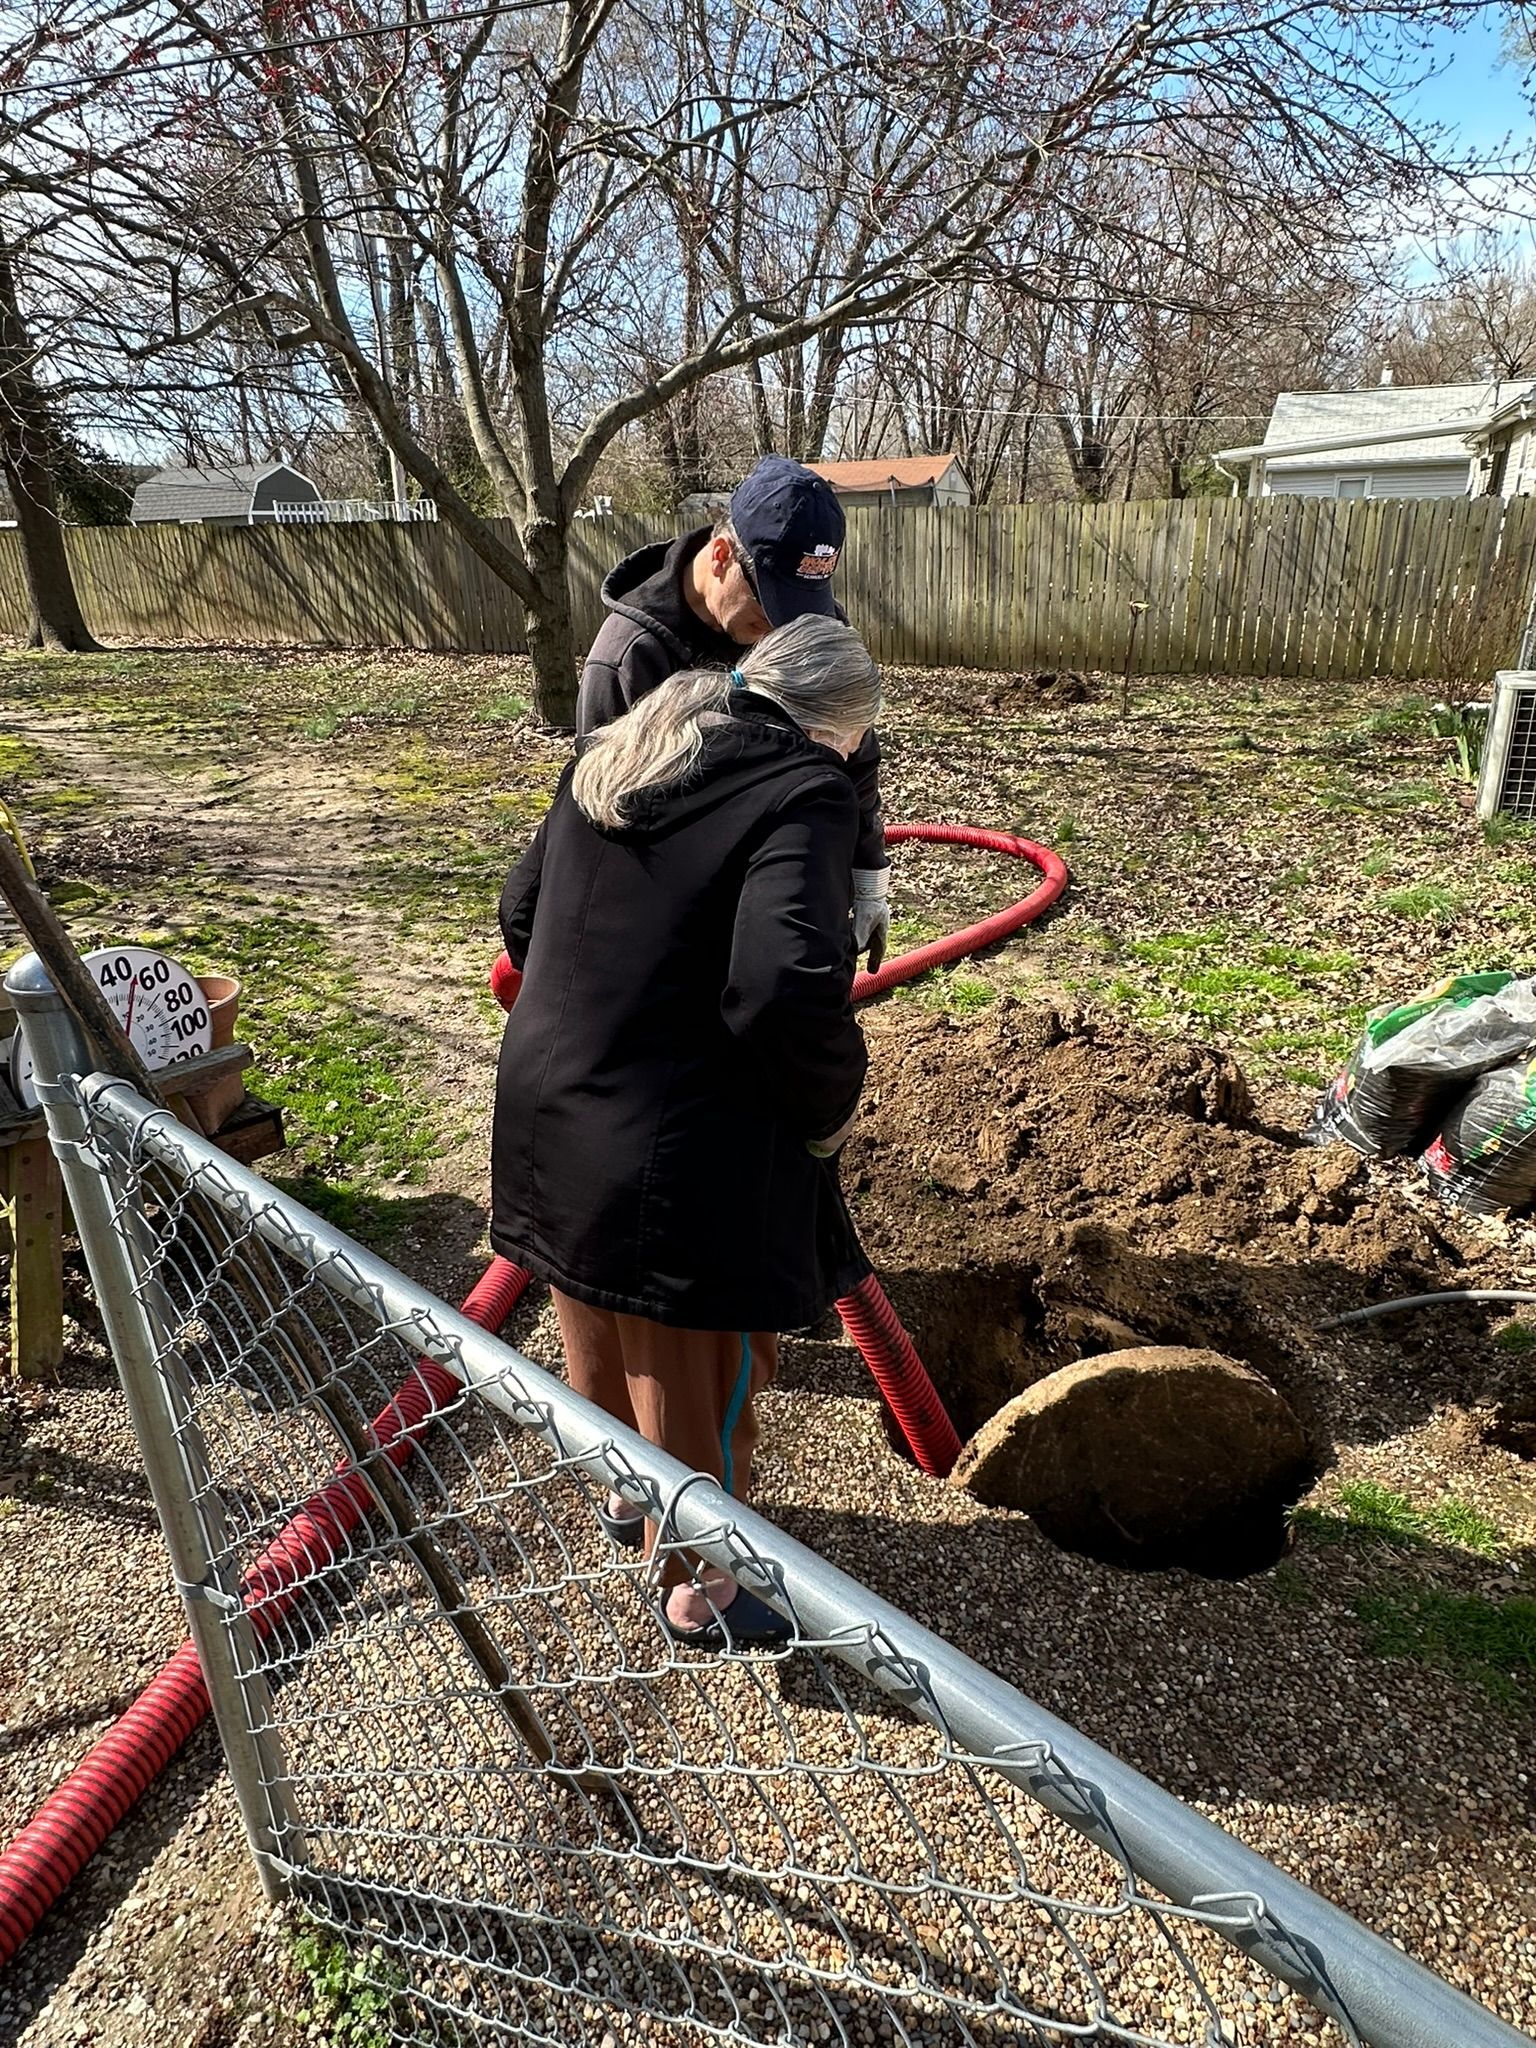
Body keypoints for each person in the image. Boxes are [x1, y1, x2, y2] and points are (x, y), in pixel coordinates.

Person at [490, 614, 882, 1650]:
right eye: (855, 745)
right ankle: (704, 1583)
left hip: (549, 1106)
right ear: (832, 726)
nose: (852, 765)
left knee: (596, 1321)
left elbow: (522, 913)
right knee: (702, 1363)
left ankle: (626, 1496)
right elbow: (781, 988)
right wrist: (832, 1104)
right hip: (669, 1154)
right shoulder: (804, 786)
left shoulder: (628, 747)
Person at [577, 455, 891, 971]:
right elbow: (600, 821)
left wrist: (868, 875)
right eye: (770, 604)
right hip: (678, 925)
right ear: (721, 555)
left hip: (789, 894)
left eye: (801, 605)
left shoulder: (804, 622)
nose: (782, 629)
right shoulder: (630, 657)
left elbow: (853, 749)